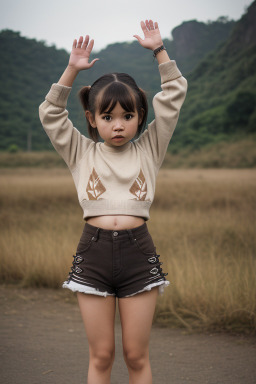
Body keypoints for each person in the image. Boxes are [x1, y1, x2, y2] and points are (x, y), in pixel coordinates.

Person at [39, 19, 187, 384]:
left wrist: (159, 50)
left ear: (140, 118)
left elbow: (174, 93)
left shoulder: (151, 148)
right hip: (93, 254)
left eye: (127, 116)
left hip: (139, 253)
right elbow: (50, 114)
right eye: (107, 117)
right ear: (92, 118)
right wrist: (72, 69)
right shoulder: (80, 152)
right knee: (101, 356)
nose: (118, 125)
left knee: (136, 356)